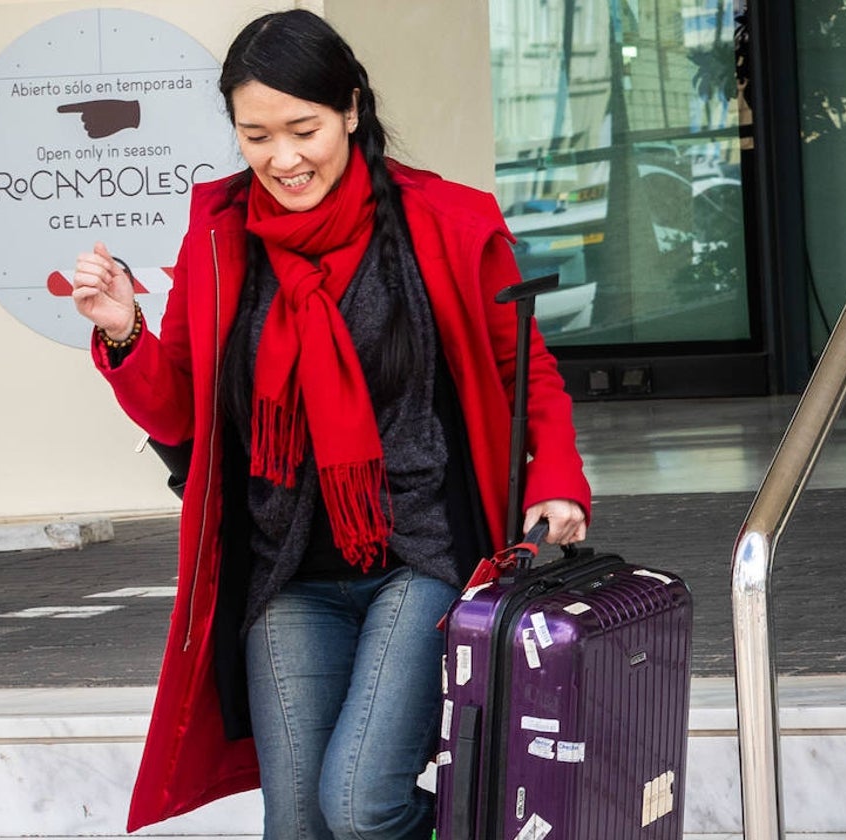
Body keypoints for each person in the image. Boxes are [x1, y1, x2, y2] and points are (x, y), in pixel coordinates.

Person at [71, 10, 591, 839]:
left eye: (303, 129)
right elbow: (183, 410)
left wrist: (558, 476)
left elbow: (522, 370)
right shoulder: (220, 236)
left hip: (421, 557)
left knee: (360, 804)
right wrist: (123, 328)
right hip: (286, 574)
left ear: (351, 108)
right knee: (299, 826)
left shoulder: (444, 222)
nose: (282, 158)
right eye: (256, 134)